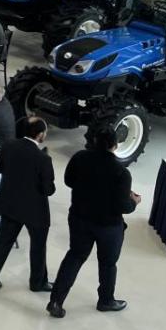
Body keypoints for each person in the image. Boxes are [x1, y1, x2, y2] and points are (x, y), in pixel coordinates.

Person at [47, 126, 140, 318]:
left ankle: (56, 301)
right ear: (115, 145)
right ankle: (106, 300)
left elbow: (69, 181)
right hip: (108, 226)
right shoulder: (121, 173)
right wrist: (133, 201)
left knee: (75, 256)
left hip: (80, 218)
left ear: (95, 141)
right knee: (107, 264)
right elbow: (123, 207)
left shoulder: (80, 158)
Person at [0, 115, 55, 293]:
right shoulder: (43, 159)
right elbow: (48, 190)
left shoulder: (8, 146)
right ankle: (38, 283)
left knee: (2, 242)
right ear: (39, 135)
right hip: (35, 210)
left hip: (10, 204)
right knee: (38, 246)